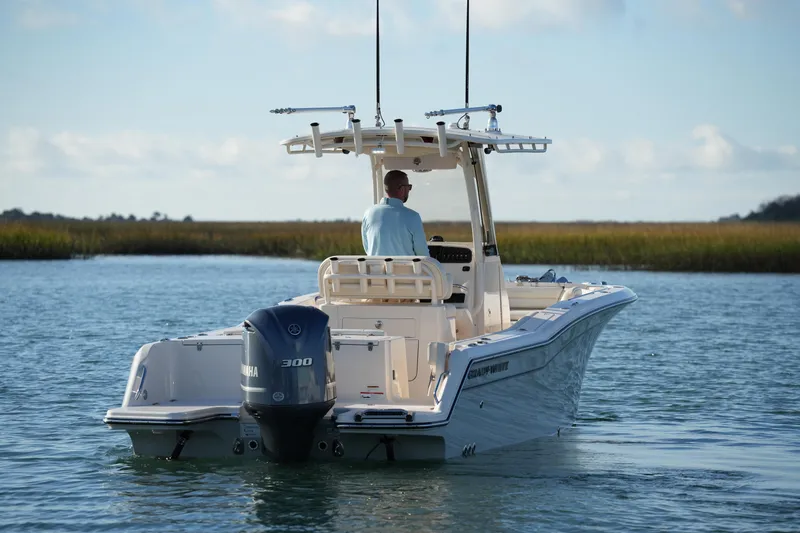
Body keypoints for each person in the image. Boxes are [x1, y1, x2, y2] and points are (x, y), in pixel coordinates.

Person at [361, 170, 429, 257]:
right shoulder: (413, 217)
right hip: (406, 270)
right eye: (409, 187)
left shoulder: (368, 213)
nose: (409, 190)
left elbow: (368, 248)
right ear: (402, 188)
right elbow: (422, 254)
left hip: (375, 270)